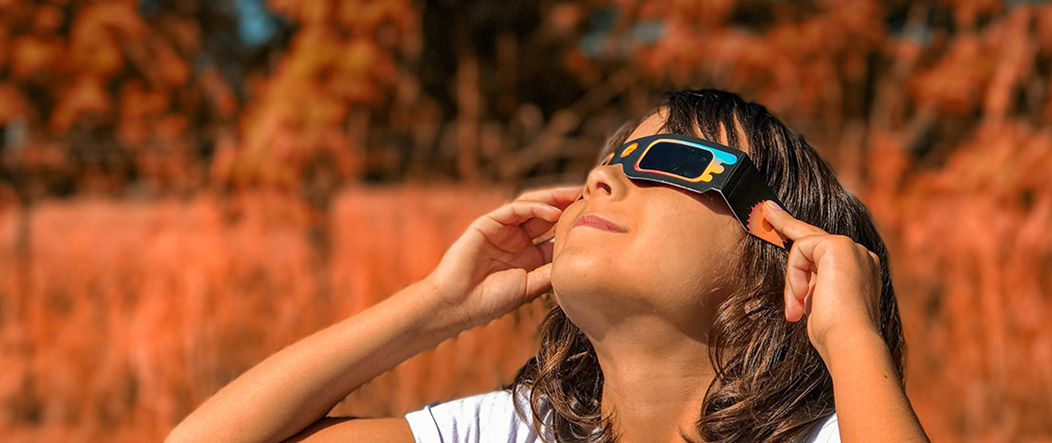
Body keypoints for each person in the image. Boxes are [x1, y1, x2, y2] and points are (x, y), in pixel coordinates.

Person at [166, 89, 929, 442]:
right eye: (611, 159)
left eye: (669, 159)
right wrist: (437, 306)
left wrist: (851, 337)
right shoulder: (510, 432)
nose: (603, 177)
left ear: (780, 251)